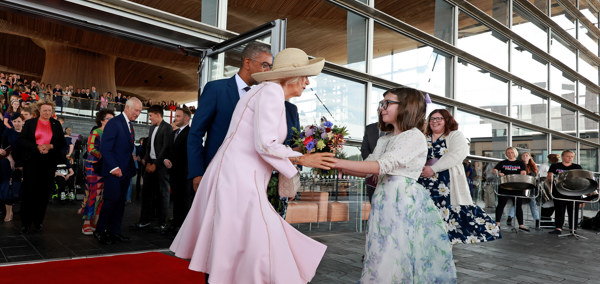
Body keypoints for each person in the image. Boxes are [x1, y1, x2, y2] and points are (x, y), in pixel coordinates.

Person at [170, 48, 336, 283]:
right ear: (292, 76)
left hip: (239, 177)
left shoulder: (266, 91)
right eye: (306, 76)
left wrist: (303, 151)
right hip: (238, 180)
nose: (308, 82)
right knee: (257, 242)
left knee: (241, 243)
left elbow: (262, 141)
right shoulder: (271, 92)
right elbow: (265, 144)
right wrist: (301, 159)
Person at [332, 88, 456, 282]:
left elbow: (382, 165)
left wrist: (336, 163)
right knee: (380, 249)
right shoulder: (385, 139)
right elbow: (367, 168)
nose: (382, 108)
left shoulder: (413, 136)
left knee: (395, 251)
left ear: (407, 107)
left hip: (401, 201)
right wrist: (333, 163)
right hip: (383, 199)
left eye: (388, 103)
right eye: (382, 103)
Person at [187, 41, 273, 191]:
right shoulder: (216, 89)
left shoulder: (261, 96)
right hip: (217, 174)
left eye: (270, 67)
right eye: (265, 65)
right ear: (247, 62)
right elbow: (195, 134)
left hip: (251, 177)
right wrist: (197, 172)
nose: (268, 70)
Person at [417, 109, 500, 244]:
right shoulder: (423, 137)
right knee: (426, 218)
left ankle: (444, 255)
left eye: (439, 118)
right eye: (432, 119)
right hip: (424, 183)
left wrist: (433, 169)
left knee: (447, 220)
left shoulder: (455, 135)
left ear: (447, 120)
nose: (434, 121)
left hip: (447, 185)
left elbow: (457, 155)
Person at [95, 98, 142, 244]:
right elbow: (106, 148)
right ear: (127, 108)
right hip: (114, 172)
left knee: (120, 203)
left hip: (125, 172)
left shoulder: (129, 125)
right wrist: (114, 168)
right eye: (136, 110)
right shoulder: (114, 123)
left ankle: (114, 232)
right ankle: (100, 231)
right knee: (111, 201)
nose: (138, 114)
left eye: (140, 111)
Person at [18, 100, 66, 233]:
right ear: (39, 110)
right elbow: (22, 140)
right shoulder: (30, 123)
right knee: (29, 191)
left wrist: (51, 146)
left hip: (49, 162)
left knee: (44, 193)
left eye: (50, 110)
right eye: (45, 110)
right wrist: (36, 147)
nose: (47, 113)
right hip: (32, 161)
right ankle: (26, 223)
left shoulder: (56, 125)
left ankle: (38, 221)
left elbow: (62, 143)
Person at [136, 105, 172, 232]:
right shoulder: (152, 128)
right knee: (146, 193)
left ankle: (162, 223)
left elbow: (165, 148)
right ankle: (144, 220)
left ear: (158, 114)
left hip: (161, 166)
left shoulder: (167, 128)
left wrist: (155, 164)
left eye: (150, 115)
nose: (149, 118)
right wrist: (146, 159)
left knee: (163, 194)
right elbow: (149, 146)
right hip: (149, 163)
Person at [79, 109, 114, 235]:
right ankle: (86, 223)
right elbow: (91, 148)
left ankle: (95, 221)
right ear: (101, 120)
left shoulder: (111, 133)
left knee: (101, 196)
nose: (110, 121)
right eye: (108, 119)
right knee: (93, 195)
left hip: (106, 168)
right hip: (93, 167)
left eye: (112, 119)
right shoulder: (96, 132)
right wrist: (104, 156)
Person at [163, 107, 192, 233]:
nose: (175, 118)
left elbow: (190, 154)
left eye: (179, 116)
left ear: (186, 119)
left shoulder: (191, 133)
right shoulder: (173, 133)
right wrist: (165, 160)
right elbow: (168, 151)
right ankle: (175, 224)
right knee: (176, 200)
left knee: (184, 201)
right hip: (174, 173)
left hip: (185, 173)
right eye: (176, 116)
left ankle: (183, 228)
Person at [493, 147, 530, 232]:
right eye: (508, 152)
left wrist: (523, 174)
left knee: (518, 206)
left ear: (515, 153)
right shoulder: (502, 163)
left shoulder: (520, 163)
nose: (510, 154)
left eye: (512, 152)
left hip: (517, 187)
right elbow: (494, 170)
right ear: (506, 154)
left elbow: (523, 172)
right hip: (504, 186)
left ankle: (521, 225)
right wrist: (498, 173)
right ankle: (497, 223)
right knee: (501, 205)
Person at [548, 150, 583, 235]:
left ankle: (573, 229)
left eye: (572, 156)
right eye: (568, 156)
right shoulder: (555, 166)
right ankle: (558, 228)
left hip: (574, 192)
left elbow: (581, 179)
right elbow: (549, 176)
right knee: (559, 210)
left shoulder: (577, 167)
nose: (570, 158)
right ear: (563, 156)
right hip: (559, 191)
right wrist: (552, 177)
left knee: (573, 210)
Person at [0, 113, 25, 222]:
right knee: (7, 186)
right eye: (14, 121)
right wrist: (9, 158)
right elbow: (3, 147)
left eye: (19, 121)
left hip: (23, 163)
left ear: (23, 122)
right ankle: (9, 212)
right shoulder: (8, 132)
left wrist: (23, 164)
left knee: (19, 187)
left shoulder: (27, 133)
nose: (17, 123)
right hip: (9, 162)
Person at [506, 151, 541, 229]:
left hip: (530, 187)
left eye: (527, 155)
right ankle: (510, 217)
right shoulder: (519, 165)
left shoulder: (533, 166)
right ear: (521, 157)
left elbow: (535, 176)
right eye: (523, 155)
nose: (525, 157)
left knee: (533, 203)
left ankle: (537, 220)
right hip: (520, 187)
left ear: (529, 157)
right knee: (516, 203)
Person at [360, 122, 383, 203]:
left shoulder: (396, 129)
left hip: (389, 177)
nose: (382, 111)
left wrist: (379, 169)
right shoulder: (369, 128)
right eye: (380, 109)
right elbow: (364, 150)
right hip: (371, 178)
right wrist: (373, 169)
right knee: (373, 206)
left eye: (385, 108)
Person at [540, 153, 560, 226]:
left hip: (554, 186)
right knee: (546, 202)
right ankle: (543, 220)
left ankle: (547, 219)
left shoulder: (558, 166)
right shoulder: (544, 166)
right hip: (546, 186)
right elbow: (540, 176)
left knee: (554, 203)